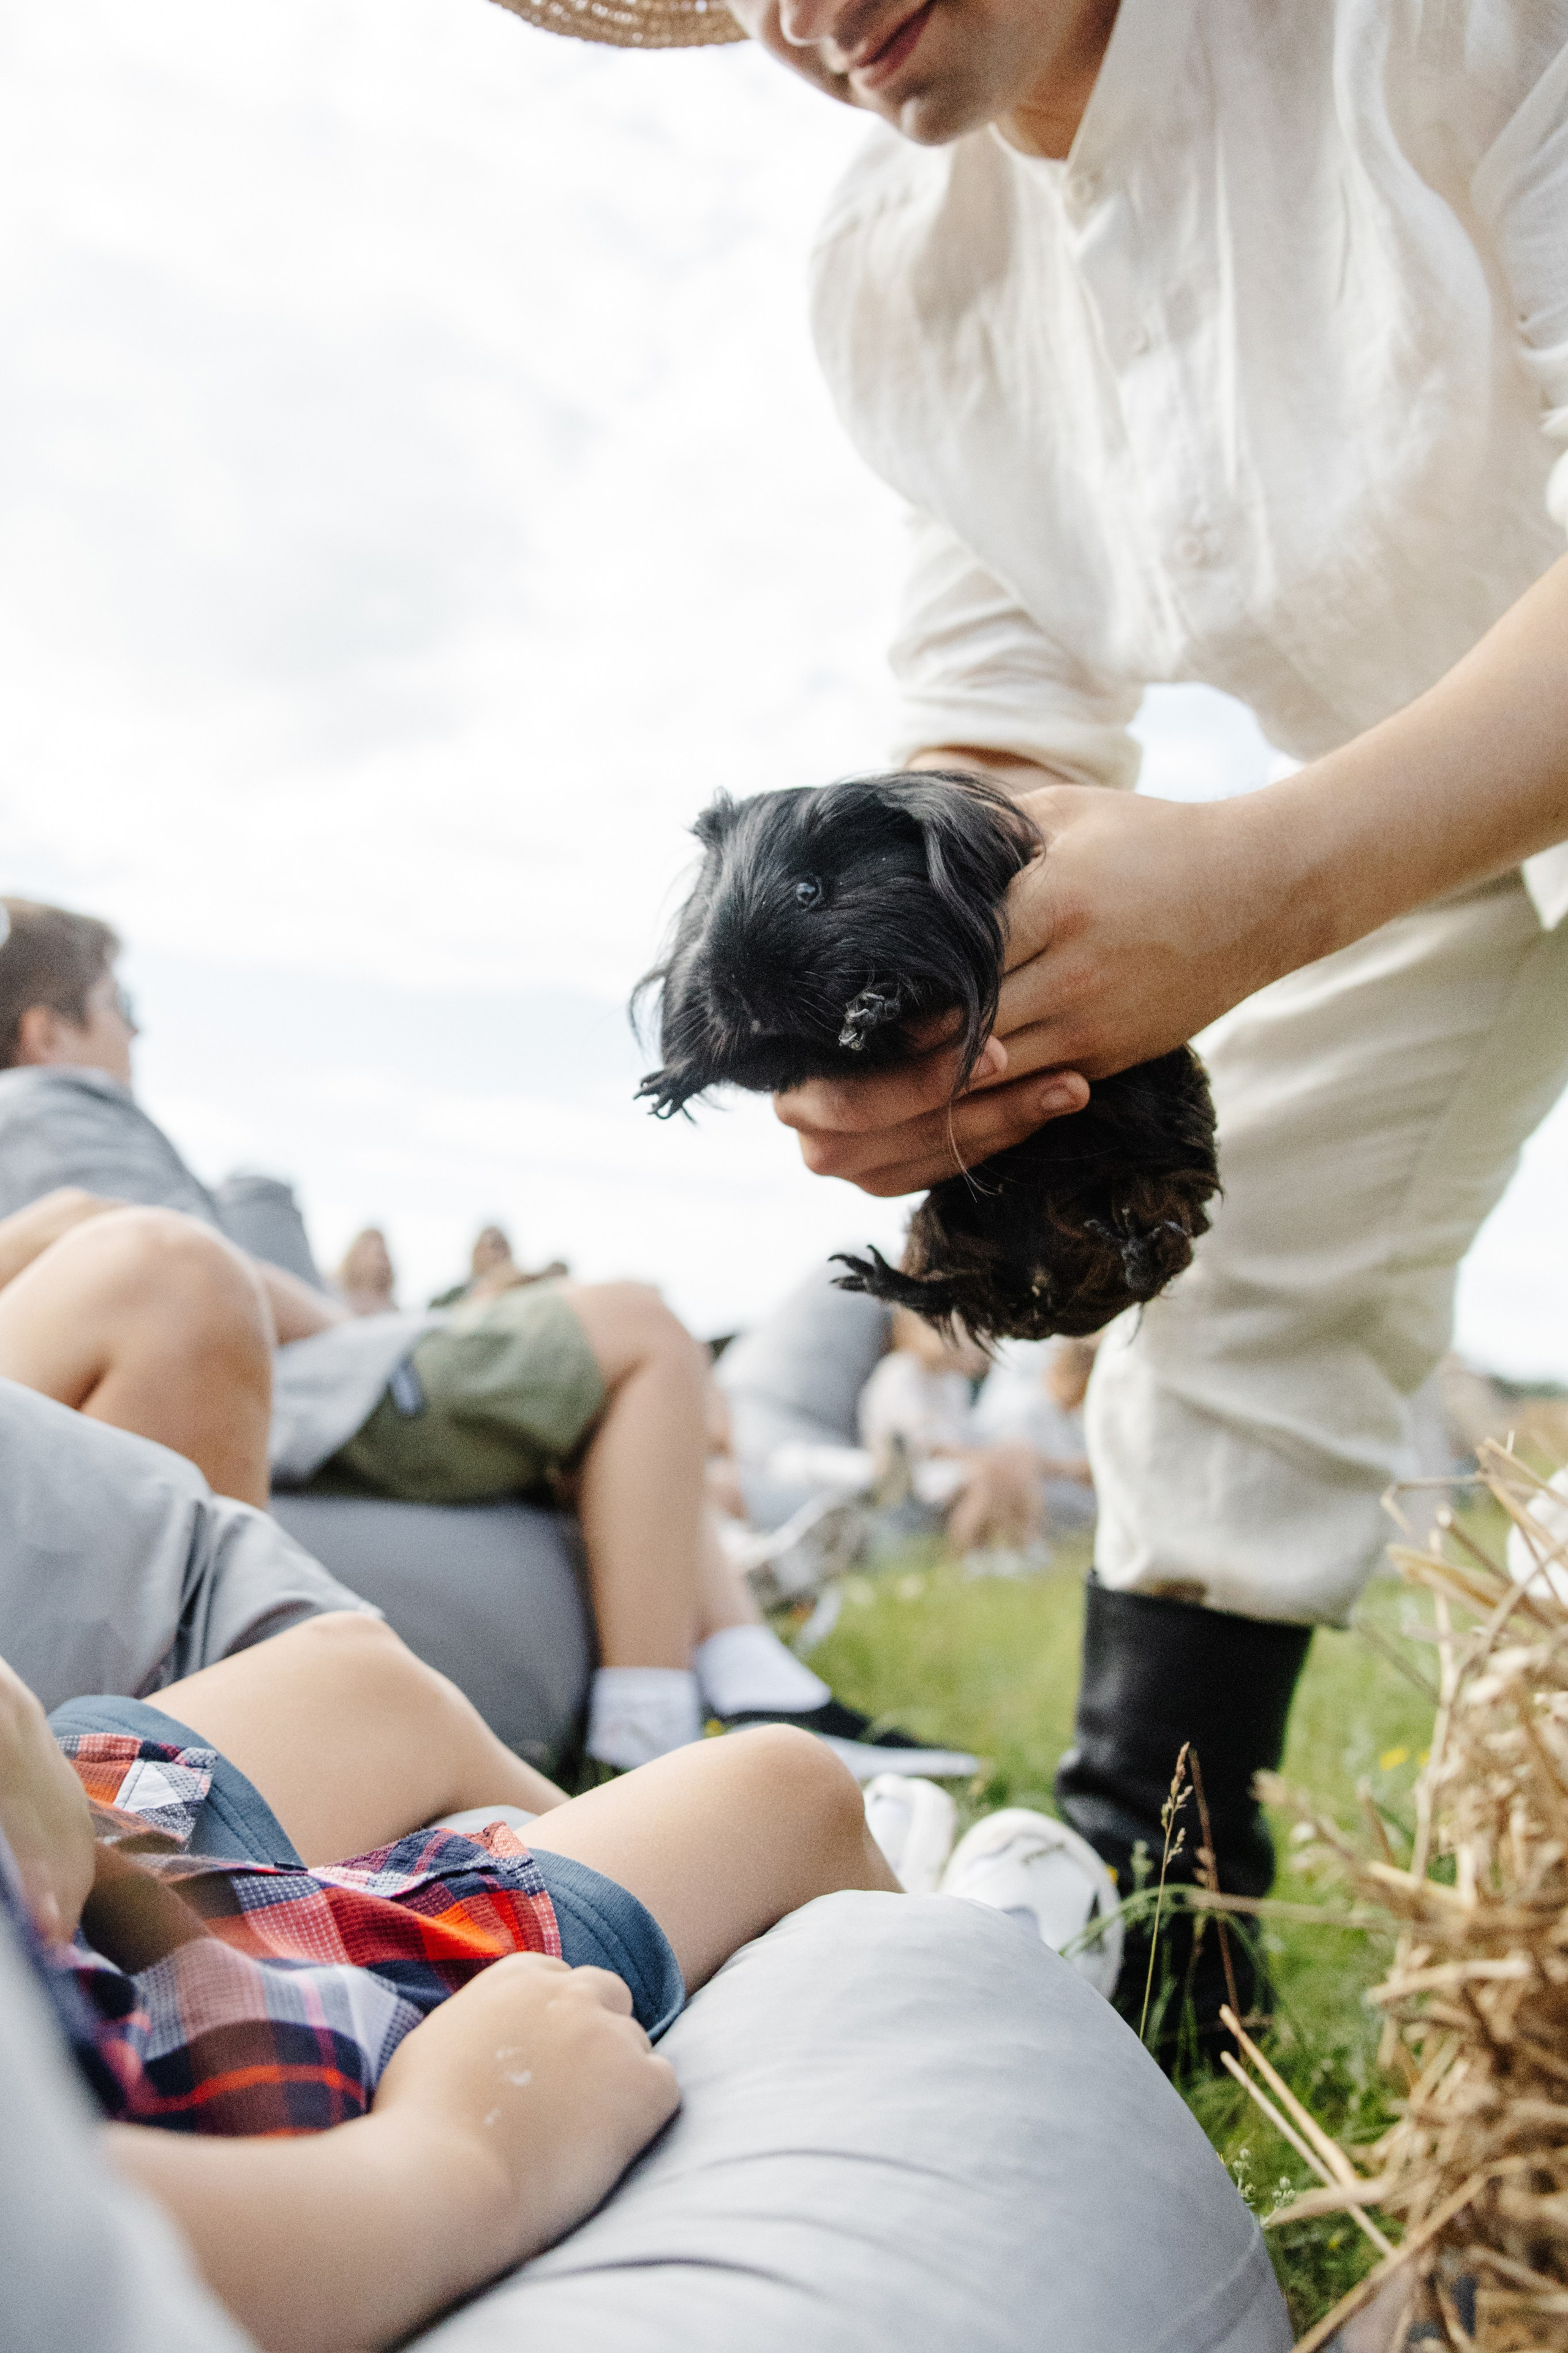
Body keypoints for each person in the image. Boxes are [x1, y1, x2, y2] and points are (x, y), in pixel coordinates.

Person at [508, 0, 1568, 2028]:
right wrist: (925, 1026)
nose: (800, 10)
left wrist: (1265, 887)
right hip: (1383, 783)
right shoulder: (898, 266)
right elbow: (1000, 713)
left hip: (1405, 784)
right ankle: (1170, 1944)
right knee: (1240, 1300)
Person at [0, 901, 974, 1778]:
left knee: (631, 1372)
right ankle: (661, 1731)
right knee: (643, 1327)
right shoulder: (60, 1109)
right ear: (48, 1031)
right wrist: (372, 1325)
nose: (135, 1027)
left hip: (299, 1384)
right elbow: (173, 1268)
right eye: (118, 1002)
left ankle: (743, 1664)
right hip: (318, 1387)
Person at [334, 1225, 398, 1316]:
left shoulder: (390, 1306)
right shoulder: (333, 1291)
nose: (380, 1262)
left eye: (382, 1255)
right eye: (377, 1254)